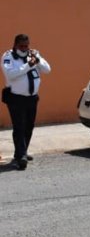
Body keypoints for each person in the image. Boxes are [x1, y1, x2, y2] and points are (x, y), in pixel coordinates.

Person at [2, 34, 51, 170]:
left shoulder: (33, 55)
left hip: (32, 98)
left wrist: (38, 58)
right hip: (16, 98)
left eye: (26, 46)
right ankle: (22, 156)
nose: (24, 49)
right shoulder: (8, 57)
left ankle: (21, 152)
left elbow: (47, 70)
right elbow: (11, 74)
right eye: (21, 46)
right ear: (15, 44)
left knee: (29, 125)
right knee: (19, 126)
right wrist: (29, 65)